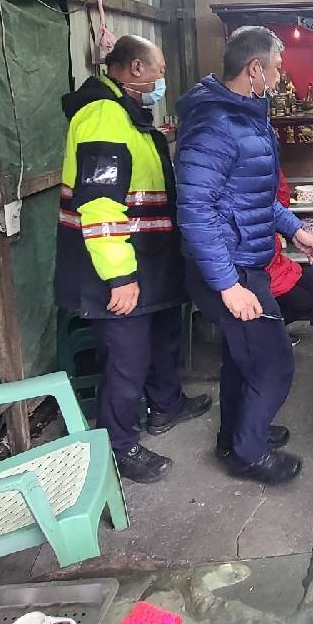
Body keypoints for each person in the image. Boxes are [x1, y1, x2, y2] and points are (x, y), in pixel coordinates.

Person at [175, 26, 313, 485]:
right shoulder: (215, 124)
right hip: (231, 267)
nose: (281, 78)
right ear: (255, 69)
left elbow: (254, 198)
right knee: (273, 362)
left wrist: (295, 229)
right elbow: (195, 211)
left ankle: (236, 435)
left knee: (243, 359)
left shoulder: (247, 117)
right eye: (277, 69)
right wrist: (228, 286)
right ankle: (248, 453)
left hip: (246, 259)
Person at [55, 36, 210, 484]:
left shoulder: (127, 113)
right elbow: (100, 203)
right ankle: (119, 445)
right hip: (119, 266)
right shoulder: (103, 116)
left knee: (161, 338)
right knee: (128, 359)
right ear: (137, 68)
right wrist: (120, 275)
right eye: (159, 70)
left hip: (151, 260)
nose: (162, 79)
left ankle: (167, 404)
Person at [266, 169, 313, 332]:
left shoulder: (263, 165)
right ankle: (269, 332)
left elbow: (272, 202)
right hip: (253, 270)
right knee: (309, 304)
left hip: (275, 261)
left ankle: (272, 330)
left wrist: (296, 232)